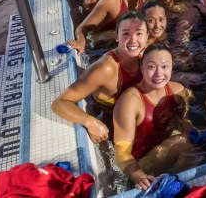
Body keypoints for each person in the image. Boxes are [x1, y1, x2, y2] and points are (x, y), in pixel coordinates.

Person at [52, 12, 148, 143]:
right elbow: (59, 103)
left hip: (134, 116)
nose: (133, 40)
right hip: (113, 123)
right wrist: (90, 122)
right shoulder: (106, 69)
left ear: (147, 37)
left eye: (139, 34)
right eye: (126, 34)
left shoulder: (145, 59)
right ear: (116, 36)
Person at [113, 43, 193, 190]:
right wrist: (139, 176)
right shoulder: (130, 101)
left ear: (171, 67)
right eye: (151, 67)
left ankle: (187, 184)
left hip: (165, 147)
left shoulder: (178, 91)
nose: (158, 74)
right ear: (141, 68)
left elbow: (185, 122)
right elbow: (121, 153)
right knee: (183, 142)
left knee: (196, 140)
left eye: (164, 67)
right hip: (140, 163)